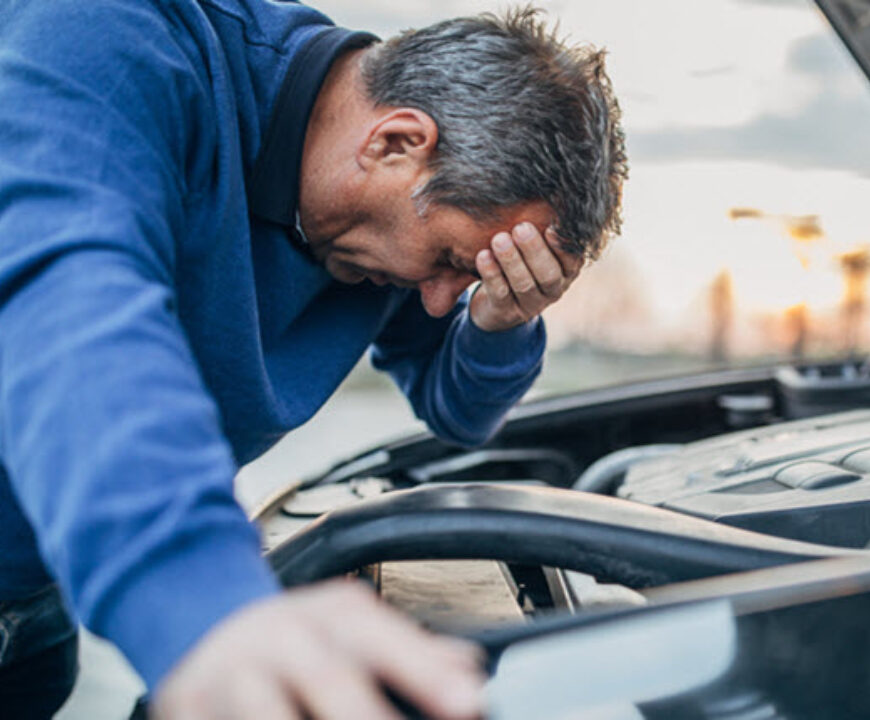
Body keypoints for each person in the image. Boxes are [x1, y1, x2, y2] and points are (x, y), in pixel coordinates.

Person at [0, 0, 626, 717]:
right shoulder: (105, 37)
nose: (435, 301)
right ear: (395, 143)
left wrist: (499, 321)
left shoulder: (383, 239)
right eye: (451, 260)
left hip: (37, 612)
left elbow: (458, 413)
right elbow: (65, 302)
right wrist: (206, 600)